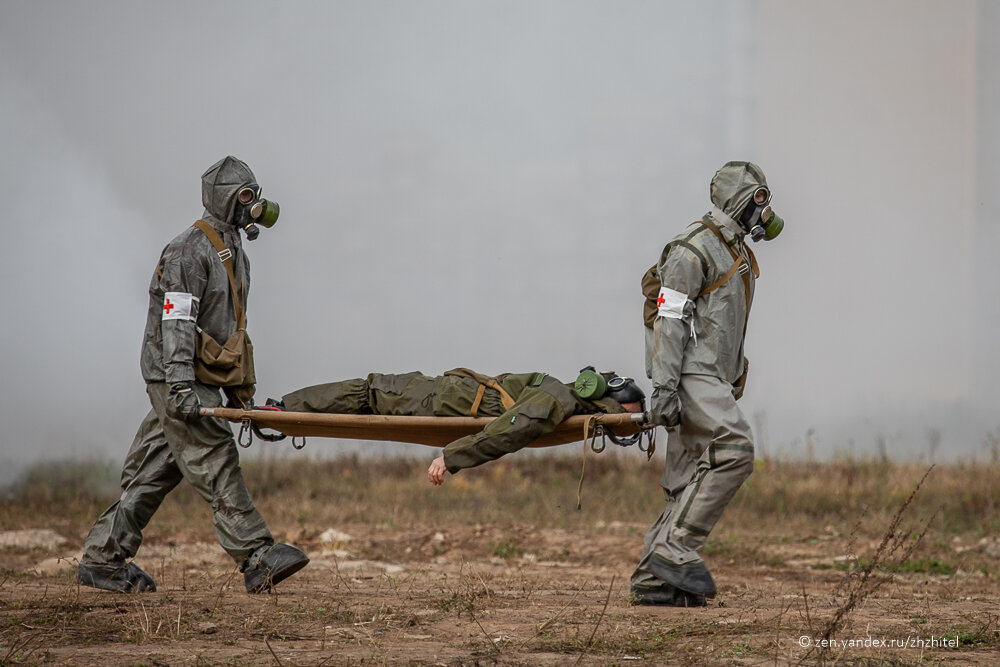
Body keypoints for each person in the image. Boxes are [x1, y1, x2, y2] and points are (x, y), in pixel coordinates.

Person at [76, 156, 309, 594]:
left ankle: (103, 558)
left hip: (194, 376)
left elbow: (232, 333)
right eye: (244, 196)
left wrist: (244, 399)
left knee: (154, 471)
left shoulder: (235, 252)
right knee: (214, 454)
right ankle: (257, 556)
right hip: (174, 374)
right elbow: (177, 323)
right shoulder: (189, 250)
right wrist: (181, 386)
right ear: (223, 199)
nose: (254, 204)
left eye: (254, 194)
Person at [631, 161, 785, 607]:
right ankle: (675, 550)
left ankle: (653, 579)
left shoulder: (731, 250)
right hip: (687, 375)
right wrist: (663, 389)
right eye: (759, 199)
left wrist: (733, 375)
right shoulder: (693, 248)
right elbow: (670, 319)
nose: (765, 211)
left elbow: (721, 323)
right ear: (742, 198)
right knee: (734, 450)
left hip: (707, 376)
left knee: (686, 478)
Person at [264, 367, 646, 484]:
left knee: (370, 392)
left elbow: (512, 428)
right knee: (372, 393)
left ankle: (283, 408)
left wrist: (451, 455)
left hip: (445, 398)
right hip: (447, 397)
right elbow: (514, 427)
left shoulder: (559, 398)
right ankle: (285, 409)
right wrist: (452, 455)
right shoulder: (559, 399)